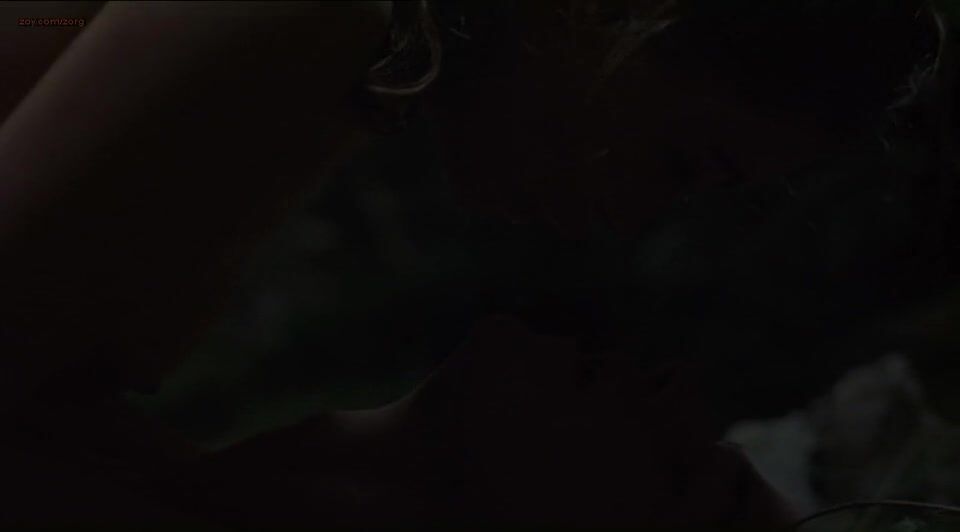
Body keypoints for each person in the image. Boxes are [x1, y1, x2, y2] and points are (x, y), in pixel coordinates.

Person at [0, 0, 941, 529]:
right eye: (680, 164)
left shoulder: (350, 71)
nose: (625, 221)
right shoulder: (316, 17)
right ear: (619, 26)